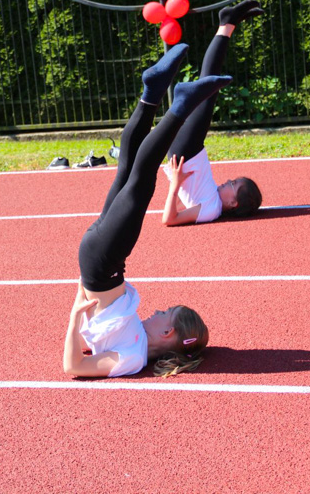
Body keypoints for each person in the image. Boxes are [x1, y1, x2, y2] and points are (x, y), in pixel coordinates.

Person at [64, 44, 231, 378]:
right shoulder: (133, 338)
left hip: (102, 265)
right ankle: (152, 91)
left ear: (168, 334)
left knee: (141, 180)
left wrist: (75, 316)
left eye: (165, 313)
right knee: (127, 169)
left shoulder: (134, 358)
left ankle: (180, 105)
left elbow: (74, 367)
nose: (157, 310)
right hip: (100, 263)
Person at [162, 0, 264, 226]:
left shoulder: (211, 211)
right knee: (207, 86)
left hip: (185, 152)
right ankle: (227, 24)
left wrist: (175, 184)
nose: (227, 181)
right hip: (190, 150)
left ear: (234, 203)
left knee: (208, 86)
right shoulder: (212, 204)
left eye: (232, 185)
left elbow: (169, 220)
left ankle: (227, 23)